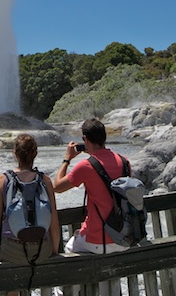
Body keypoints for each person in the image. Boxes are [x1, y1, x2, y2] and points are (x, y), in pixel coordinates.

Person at [53, 118, 130, 296]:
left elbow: (57, 186)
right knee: (106, 268)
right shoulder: (124, 162)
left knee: (71, 250)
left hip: (98, 240)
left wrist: (67, 159)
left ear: (85, 140)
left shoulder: (86, 165)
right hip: (123, 238)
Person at [0, 133, 60, 296]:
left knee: (10, 281)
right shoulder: (45, 180)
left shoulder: (4, 180)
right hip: (41, 250)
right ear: (35, 154)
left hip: (11, 250)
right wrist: (53, 252)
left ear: (15, 154)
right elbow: (54, 224)